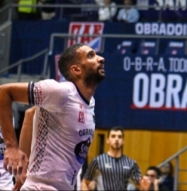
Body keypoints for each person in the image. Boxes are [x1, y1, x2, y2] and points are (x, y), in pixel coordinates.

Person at [0, 43, 107, 191]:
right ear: (76, 69)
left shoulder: (90, 102)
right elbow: (4, 92)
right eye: (91, 55)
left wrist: (22, 172)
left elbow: (31, 114)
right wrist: (11, 147)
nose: (101, 59)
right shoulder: (61, 92)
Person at [83, 126, 150, 190]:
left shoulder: (131, 163)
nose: (116, 139)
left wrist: (145, 185)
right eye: (113, 136)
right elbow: (84, 183)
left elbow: (141, 187)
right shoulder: (97, 161)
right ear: (107, 140)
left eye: (120, 137)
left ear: (123, 141)